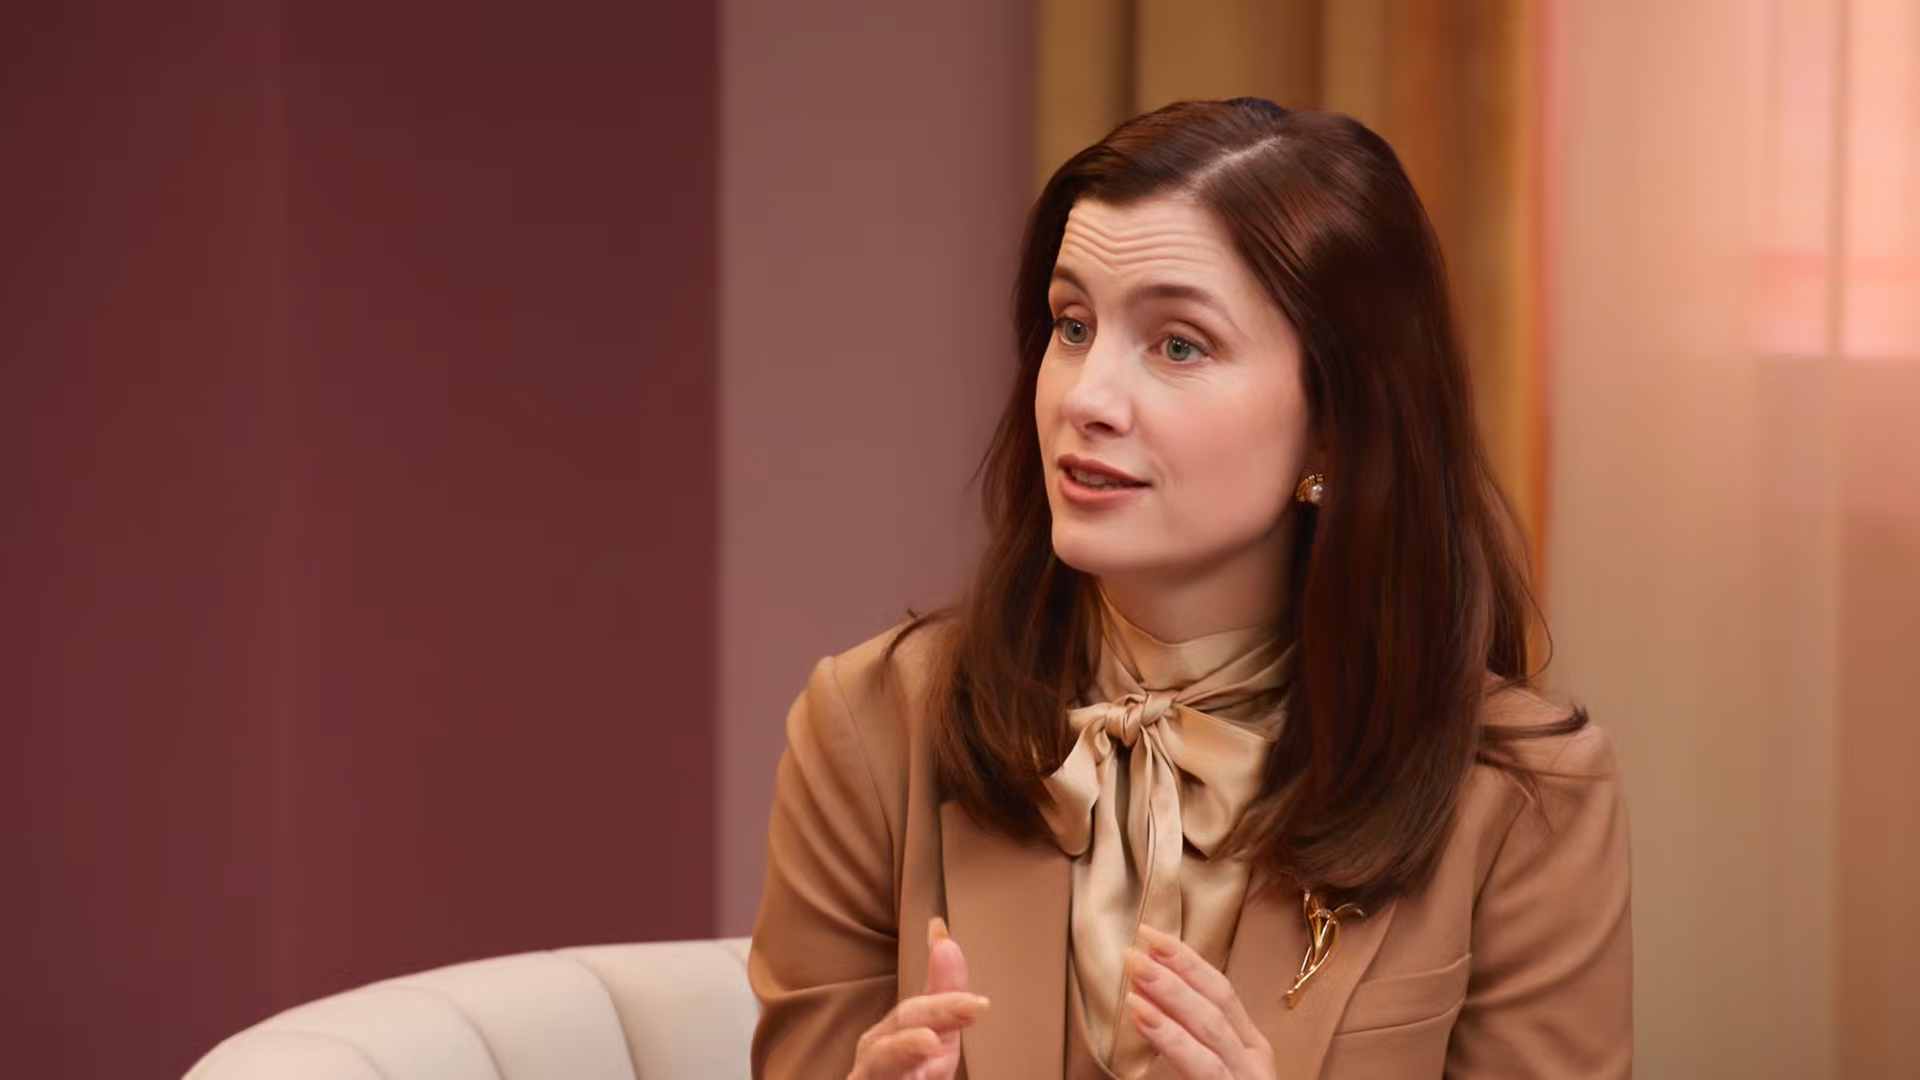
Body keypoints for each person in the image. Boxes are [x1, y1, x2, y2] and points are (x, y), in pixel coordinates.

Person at [747, 97, 1632, 1080]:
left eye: (1178, 345)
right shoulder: (871, 729)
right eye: (1072, 325)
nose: (1086, 398)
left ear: (1337, 425)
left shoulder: (1525, 801)